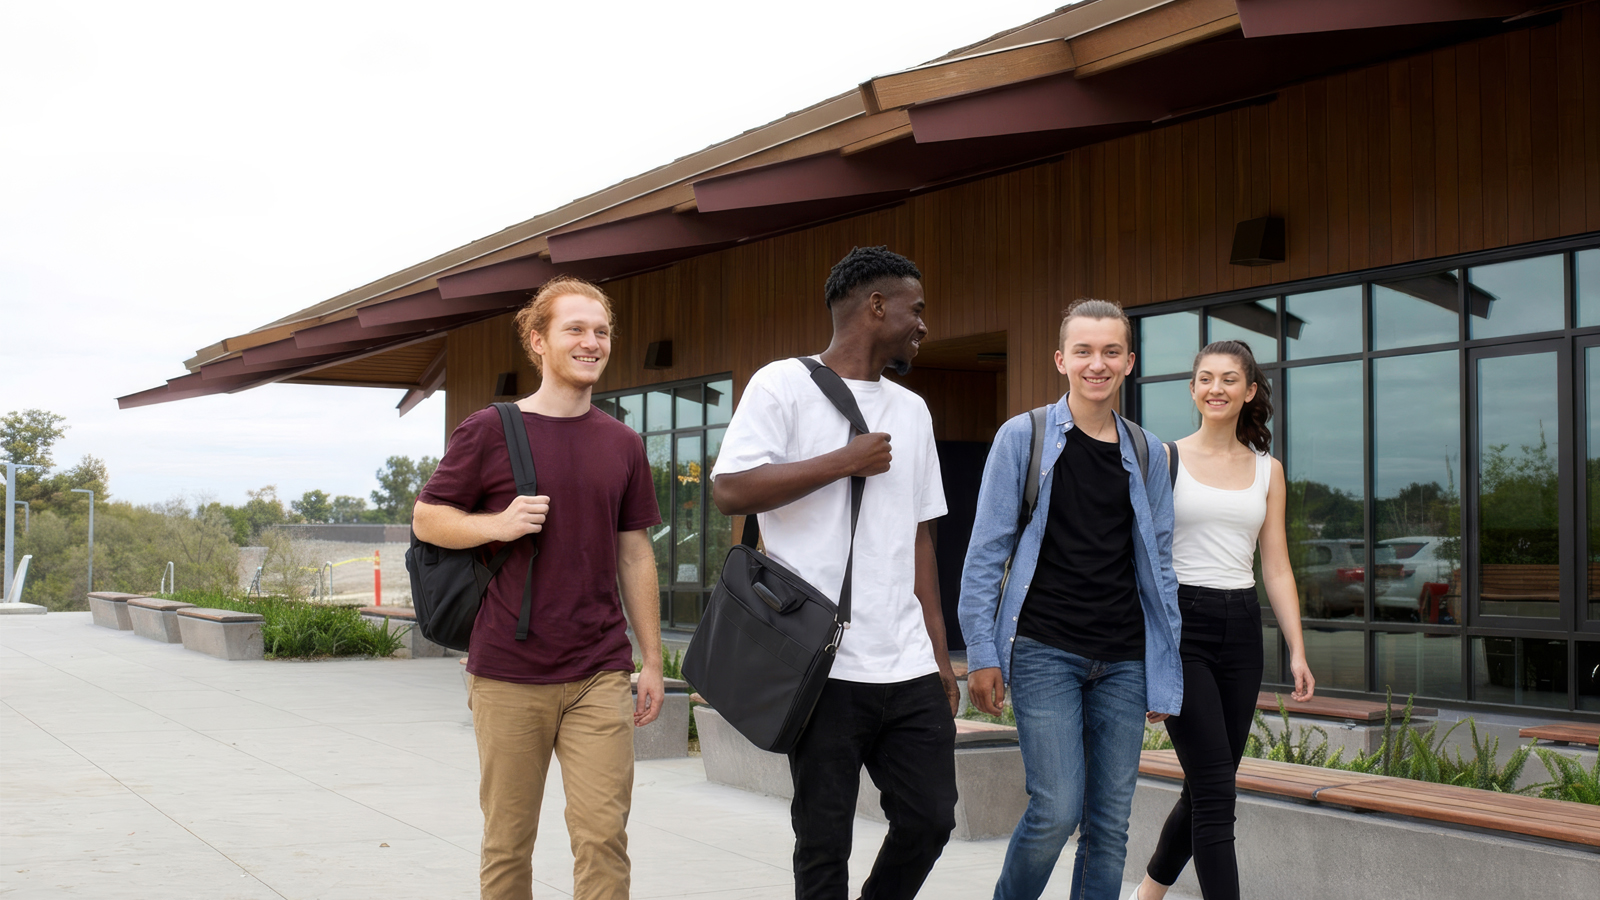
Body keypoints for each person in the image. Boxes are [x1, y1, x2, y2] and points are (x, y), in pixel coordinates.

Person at [711, 246, 960, 900]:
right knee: (824, 840)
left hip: (904, 662)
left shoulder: (912, 412)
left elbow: (920, 538)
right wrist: (841, 460)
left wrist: (939, 654)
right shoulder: (781, 384)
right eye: (916, 309)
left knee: (931, 817)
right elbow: (731, 490)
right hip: (819, 661)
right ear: (877, 307)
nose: (922, 324)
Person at [412, 275, 665, 900]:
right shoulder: (489, 430)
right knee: (508, 843)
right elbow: (427, 516)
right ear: (538, 341)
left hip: (598, 670)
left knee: (604, 838)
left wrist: (652, 660)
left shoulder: (624, 443)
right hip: (507, 670)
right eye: (575, 329)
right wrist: (497, 524)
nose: (592, 342)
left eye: (601, 331)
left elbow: (635, 553)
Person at [959, 299, 1183, 900]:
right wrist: (981, 652)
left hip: (1125, 659)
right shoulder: (1021, 437)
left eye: (1111, 351)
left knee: (1109, 826)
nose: (1097, 363)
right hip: (1043, 650)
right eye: (1084, 351)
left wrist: (1164, 667)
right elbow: (985, 553)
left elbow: (1160, 566)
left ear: (1129, 362)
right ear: (1061, 359)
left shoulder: (1148, 452)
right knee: (1057, 809)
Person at [1131, 340, 1315, 900]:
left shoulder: (1268, 471)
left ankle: (1147, 894)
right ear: (1192, 390)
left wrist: (1297, 649)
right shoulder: (1164, 458)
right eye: (1206, 378)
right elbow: (1140, 559)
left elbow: (1277, 566)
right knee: (1215, 792)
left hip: (1241, 628)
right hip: (1182, 626)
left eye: (1230, 379)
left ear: (1249, 391)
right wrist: (1149, 655)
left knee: (1209, 785)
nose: (1216, 388)